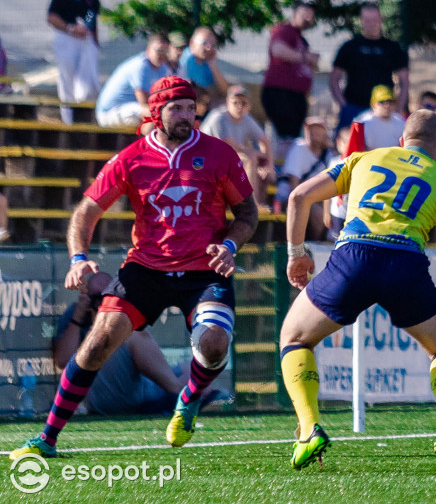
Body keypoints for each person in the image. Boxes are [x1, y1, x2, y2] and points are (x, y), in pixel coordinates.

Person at [9, 75, 258, 460]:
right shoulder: (131, 158)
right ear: (156, 112)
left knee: (213, 344)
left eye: (191, 108)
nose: (186, 116)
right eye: (176, 108)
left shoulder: (219, 154)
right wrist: (78, 258)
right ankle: (47, 439)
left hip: (204, 269)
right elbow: (86, 212)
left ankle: (187, 399)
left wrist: (229, 244)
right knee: (97, 343)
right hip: (145, 268)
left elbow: (247, 213)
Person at [279, 110, 436, 471]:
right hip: (405, 264)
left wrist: (297, 256)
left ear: (401, 140)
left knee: (294, 339)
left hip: (353, 257)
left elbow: (298, 197)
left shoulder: (363, 158)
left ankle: (309, 430)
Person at [52, 271, 226, 415]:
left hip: (138, 384)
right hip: (116, 401)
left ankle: (186, 392)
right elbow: (62, 361)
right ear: (86, 297)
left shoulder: (120, 309)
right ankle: (179, 394)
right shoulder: (76, 316)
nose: (101, 303)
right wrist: (77, 318)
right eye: (96, 297)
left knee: (194, 368)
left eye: (105, 296)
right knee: (132, 336)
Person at [328, 3, 409, 130]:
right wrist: (344, 105)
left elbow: (404, 81)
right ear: (361, 21)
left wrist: (398, 108)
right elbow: (334, 78)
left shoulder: (392, 48)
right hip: (353, 108)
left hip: (384, 110)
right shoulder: (349, 47)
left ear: (381, 20)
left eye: (374, 20)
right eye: (367, 20)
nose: (371, 24)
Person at [47, 0, 101, 124]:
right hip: (68, 38)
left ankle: (86, 117)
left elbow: (92, 15)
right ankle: (68, 119)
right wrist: (70, 28)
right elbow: (52, 16)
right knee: (67, 79)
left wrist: (94, 38)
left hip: (86, 39)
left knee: (90, 82)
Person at [200, 85, 276, 208]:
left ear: (249, 105)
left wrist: (269, 166)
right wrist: (256, 154)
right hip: (204, 163)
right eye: (235, 102)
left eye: (243, 102)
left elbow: (265, 141)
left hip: (225, 161)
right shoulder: (219, 117)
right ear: (227, 103)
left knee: (263, 170)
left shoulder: (246, 118)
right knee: (249, 159)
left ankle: (257, 206)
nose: (239, 106)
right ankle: (252, 205)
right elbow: (227, 148)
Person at [262, 3, 319, 161]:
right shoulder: (284, 30)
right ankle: (283, 177)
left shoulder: (301, 39)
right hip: (280, 93)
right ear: (294, 13)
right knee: (285, 140)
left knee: (294, 139)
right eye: (304, 14)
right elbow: (278, 50)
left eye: (311, 15)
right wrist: (305, 57)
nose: (308, 18)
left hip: (296, 96)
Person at [95, 33, 171, 128]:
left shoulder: (162, 68)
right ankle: (147, 143)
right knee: (151, 113)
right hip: (109, 113)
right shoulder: (141, 66)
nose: (162, 55)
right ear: (148, 48)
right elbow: (144, 102)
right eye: (159, 50)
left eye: (165, 51)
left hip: (130, 109)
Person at [276, 116, 332, 238]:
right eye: (310, 130)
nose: (314, 133)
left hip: (315, 198)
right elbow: (294, 187)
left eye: (318, 130)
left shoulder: (328, 154)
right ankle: (315, 247)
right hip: (291, 197)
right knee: (317, 214)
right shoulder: (299, 148)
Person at [344, 85, 406, 155]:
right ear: (373, 104)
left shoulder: (401, 121)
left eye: (390, 101)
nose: (387, 105)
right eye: (382, 102)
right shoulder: (361, 123)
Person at [181, 27, 230, 108]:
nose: (209, 47)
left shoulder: (208, 60)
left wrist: (213, 66)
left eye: (212, 44)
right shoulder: (186, 59)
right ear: (192, 43)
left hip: (203, 103)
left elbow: (226, 91)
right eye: (204, 43)